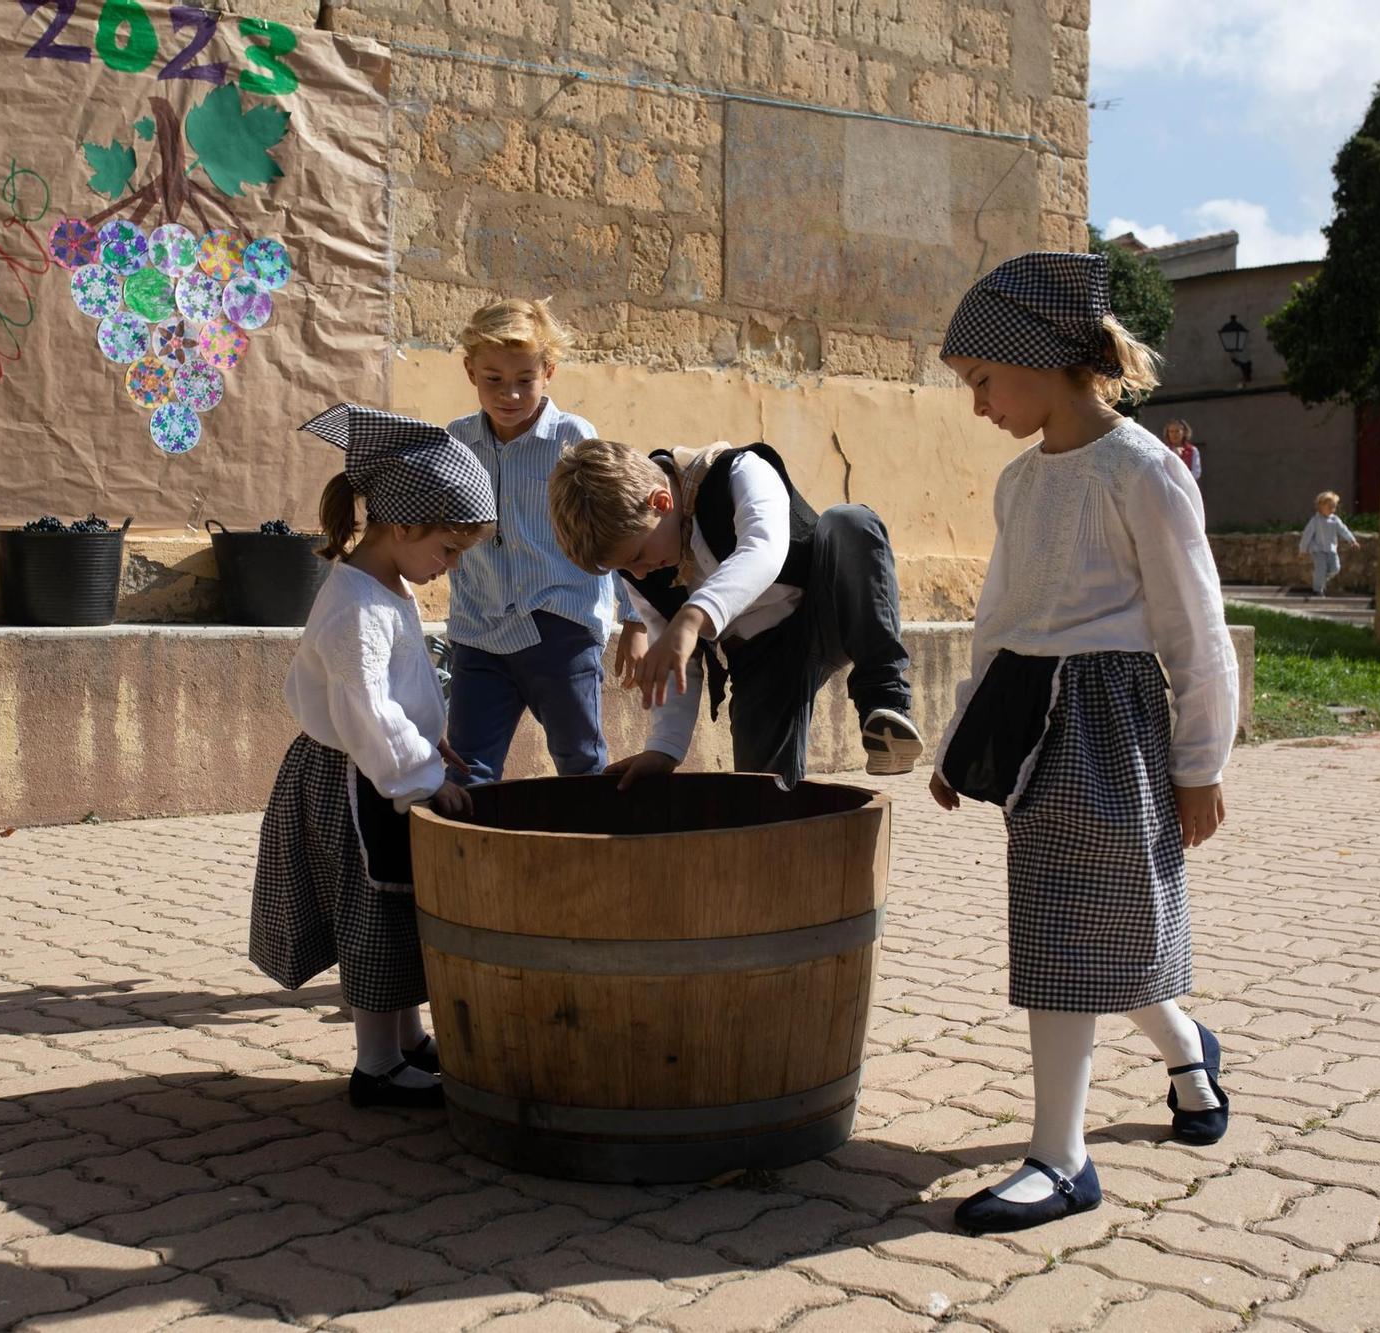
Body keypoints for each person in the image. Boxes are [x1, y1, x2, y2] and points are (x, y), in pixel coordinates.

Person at [929, 252, 1239, 1235]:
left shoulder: (1142, 471)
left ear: (1040, 360)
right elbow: (999, 618)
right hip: (1031, 720)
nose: (978, 404)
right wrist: (960, 737)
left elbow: (1196, 626)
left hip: (1110, 720)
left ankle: (1062, 1160)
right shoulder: (1019, 484)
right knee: (1076, 925)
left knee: (1089, 924)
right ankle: (1186, 1055)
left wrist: (1202, 762)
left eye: (983, 379)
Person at [249, 404, 497, 1109]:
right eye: (448, 550)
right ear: (404, 527)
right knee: (373, 908)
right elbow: (366, 708)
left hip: (380, 768)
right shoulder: (355, 604)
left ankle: (407, 1041)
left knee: (397, 905)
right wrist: (422, 779)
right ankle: (376, 1066)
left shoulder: (387, 584)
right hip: (358, 777)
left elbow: (400, 687)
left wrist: (431, 738)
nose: (450, 566)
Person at [547, 437, 924, 786]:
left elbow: (762, 550)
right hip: (762, 659)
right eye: (626, 569)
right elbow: (677, 660)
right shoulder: (641, 571)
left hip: (826, 608)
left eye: (638, 557)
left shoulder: (740, 472)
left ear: (661, 503)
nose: (640, 573)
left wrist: (693, 616)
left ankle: (884, 703)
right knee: (760, 794)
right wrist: (664, 748)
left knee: (850, 522)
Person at [443, 298, 646, 785]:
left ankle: (588, 836)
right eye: (493, 379)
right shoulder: (457, 440)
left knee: (580, 764)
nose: (509, 394)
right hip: (479, 631)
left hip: (561, 632)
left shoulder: (572, 437)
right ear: (470, 372)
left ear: (548, 372)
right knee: (467, 771)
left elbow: (611, 524)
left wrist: (636, 619)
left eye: (525, 379)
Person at [1298, 490, 1359, 596]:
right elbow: (1306, 536)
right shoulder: (1315, 521)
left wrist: (1352, 540)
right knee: (1320, 568)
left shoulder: (1335, 520)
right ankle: (1318, 590)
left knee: (1336, 568)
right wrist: (1302, 550)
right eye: (1330, 507)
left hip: (1331, 549)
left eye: (1334, 507)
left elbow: (1343, 530)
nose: (1332, 509)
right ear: (1321, 506)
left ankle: (1321, 580)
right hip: (1318, 550)